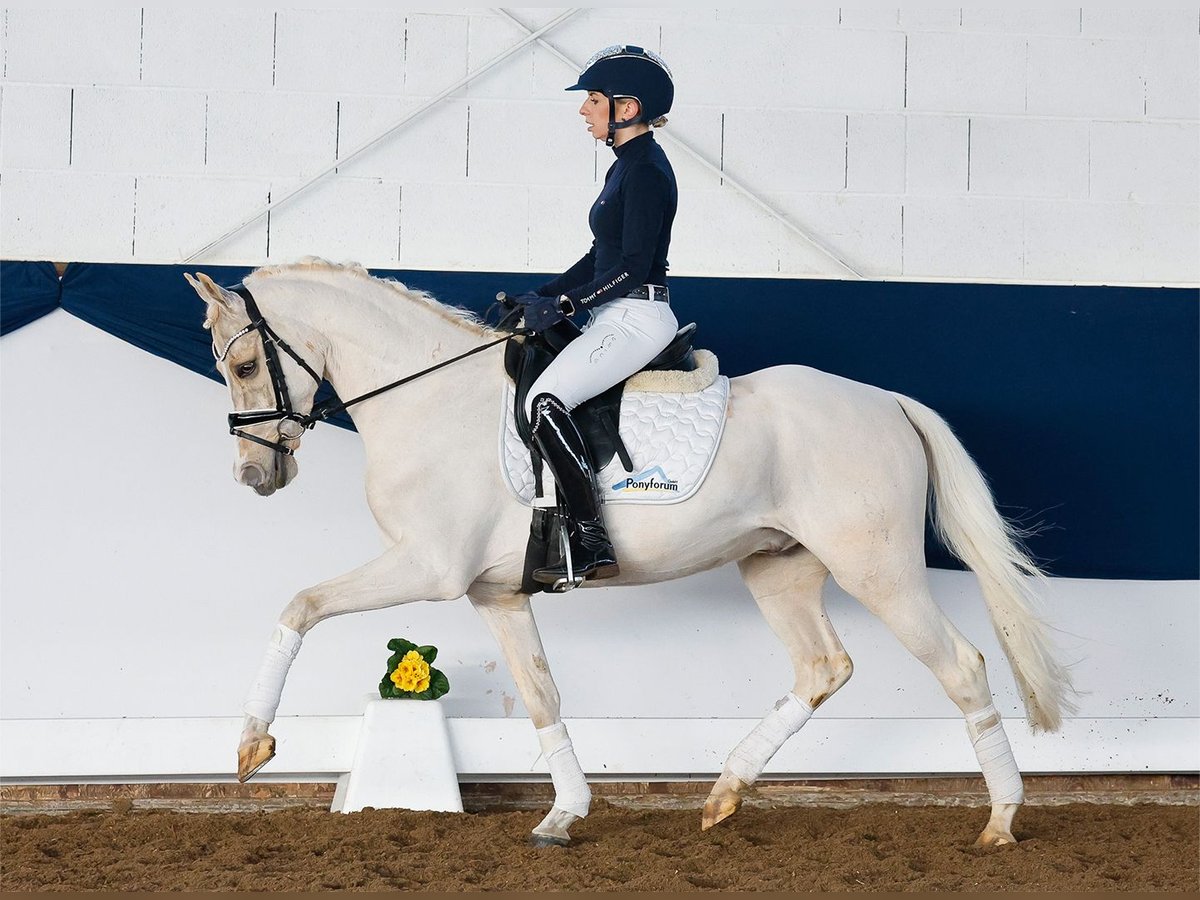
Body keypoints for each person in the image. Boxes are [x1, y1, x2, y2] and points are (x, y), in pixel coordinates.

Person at [511, 44, 679, 588]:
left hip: (635, 316)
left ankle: (590, 538)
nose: (584, 110)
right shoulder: (625, 168)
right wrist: (540, 293)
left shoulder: (647, 171)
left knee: (545, 401)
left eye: (593, 100)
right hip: (612, 311)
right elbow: (597, 257)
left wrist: (566, 305)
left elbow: (630, 268)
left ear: (626, 108)